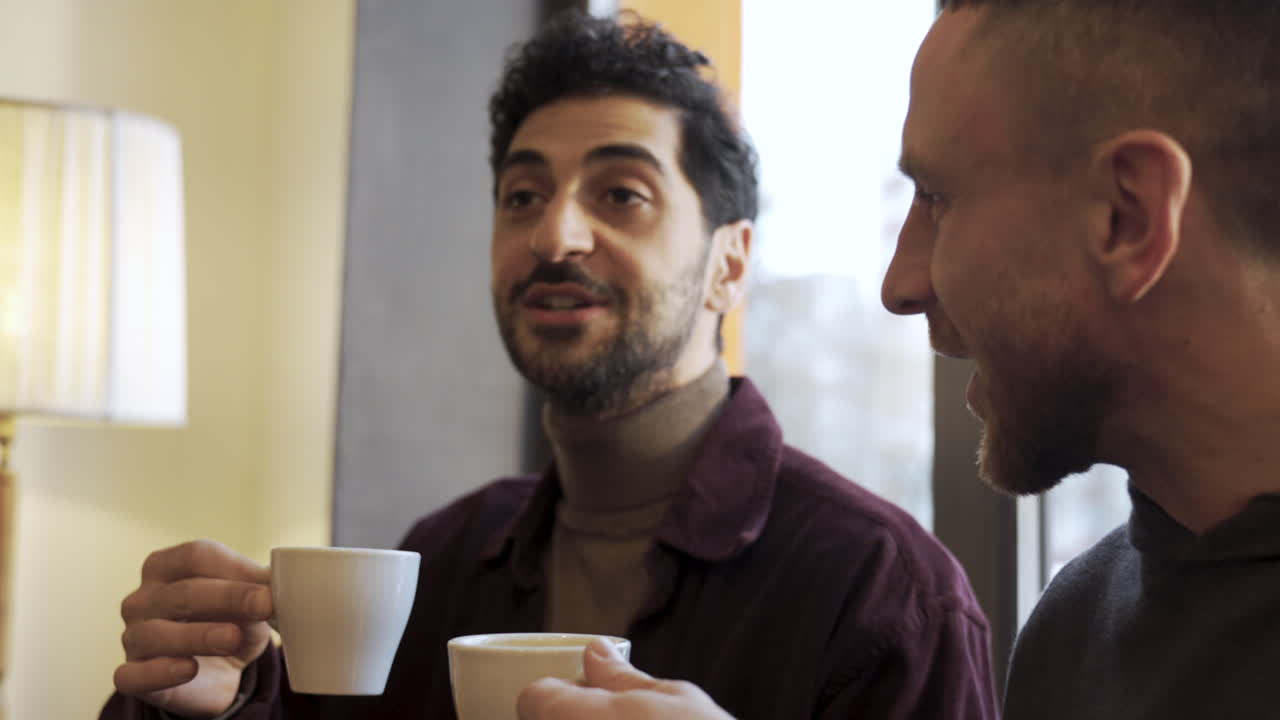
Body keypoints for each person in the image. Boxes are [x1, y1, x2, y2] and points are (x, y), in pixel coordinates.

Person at [99, 10, 997, 720]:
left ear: (729, 263)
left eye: (622, 195)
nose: (553, 235)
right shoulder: (443, 558)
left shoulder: (883, 599)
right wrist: (203, 700)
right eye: (522, 196)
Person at [518, 1, 1280, 718]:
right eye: (520, 196)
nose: (899, 285)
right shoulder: (1077, 622)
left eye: (938, 198)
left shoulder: (884, 592)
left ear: (1128, 215)